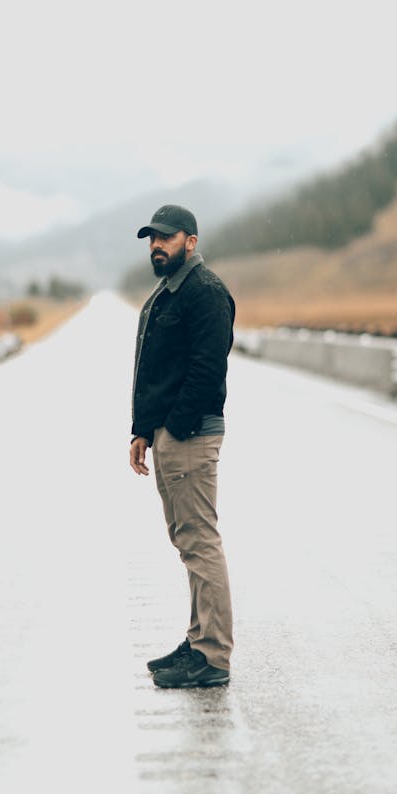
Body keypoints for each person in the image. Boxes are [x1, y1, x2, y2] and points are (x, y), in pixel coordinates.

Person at [129, 204, 235, 688]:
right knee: (187, 542)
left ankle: (212, 656)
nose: (157, 245)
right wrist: (143, 430)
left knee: (200, 541)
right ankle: (197, 642)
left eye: (166, 238)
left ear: (190, 241)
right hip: (171, 436)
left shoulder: (205, 292)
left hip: (190, 437)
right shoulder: (170, 291)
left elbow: (206, 370)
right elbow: (158, 370)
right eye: (152, 238)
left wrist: (174, 427)